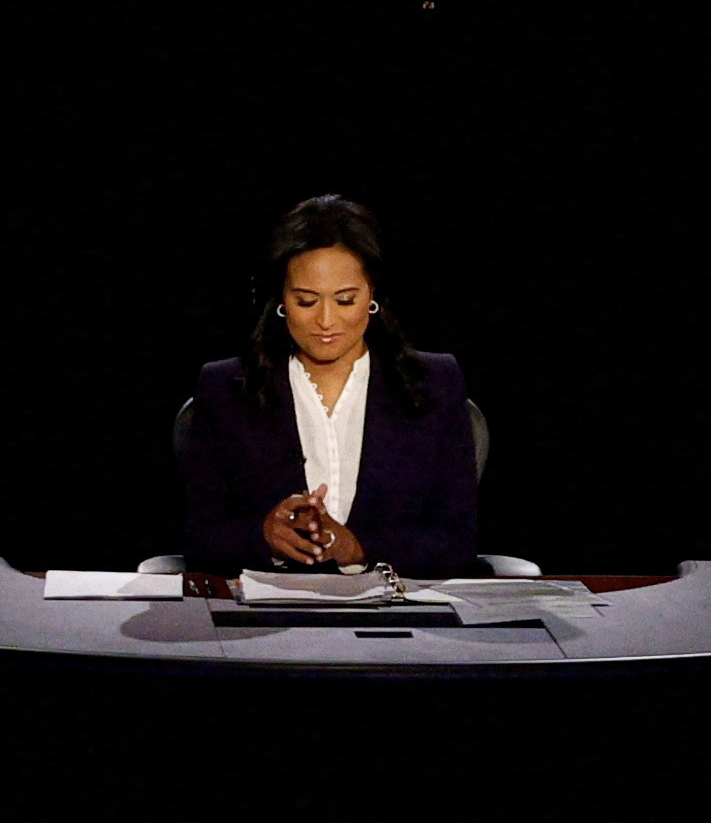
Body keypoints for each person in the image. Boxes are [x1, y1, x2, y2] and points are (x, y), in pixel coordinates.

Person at [173, 193, 486, 577]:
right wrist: (263, 534)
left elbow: (457, 542)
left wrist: (358, 547)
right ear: (281, 301)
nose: (325, 320)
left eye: (344, 300)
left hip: (399, 620)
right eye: (306, 301)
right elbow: (200, 539)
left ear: (371, 294)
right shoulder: (224, 389)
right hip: (268, 620)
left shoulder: (435, 384)